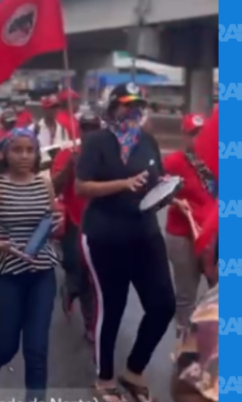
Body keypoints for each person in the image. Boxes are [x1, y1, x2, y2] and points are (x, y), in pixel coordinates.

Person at [75, 83, 176, 402]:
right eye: (125, 105)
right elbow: (82, 188)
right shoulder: (96, 142)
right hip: (106, 236)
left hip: (145, 234)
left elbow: (155, 181)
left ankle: (134, 369)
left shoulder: (147, 141)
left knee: (163, 305)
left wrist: (169, 194)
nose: (132, 111)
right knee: (112, 309)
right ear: (111, 108)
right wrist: (122, 184)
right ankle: (104, 380)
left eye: (138, 105)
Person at [0, 128, 60, 402]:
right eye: (17, 150)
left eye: (29, 150)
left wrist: (57, 225)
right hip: (6, 274)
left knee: (37, 349)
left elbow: (52, 222)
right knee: (6, 346)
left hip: (41, 273)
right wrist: (1, 245)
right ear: (5, 153)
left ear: (36, 154)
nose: (24, 156)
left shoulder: (45, 183)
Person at [51, 110, 101, 343]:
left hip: (100, 224)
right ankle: (70, 287)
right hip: (74, 222)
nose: (90, 133)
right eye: (86, 128)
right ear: (79, 130)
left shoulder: (108, 154)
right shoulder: (67, 154)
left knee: (93, 276)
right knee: (77, 269)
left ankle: (91, 323)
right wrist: (69, 169)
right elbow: (54, 188)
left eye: (94, 128)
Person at [164, 113, 217, 334]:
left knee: (217, 293)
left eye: (202, 133)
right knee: (186, 296)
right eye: (193, 134)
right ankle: (184, 345)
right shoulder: (174, 162)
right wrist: (176, 201)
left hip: (212, 237)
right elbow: (156, 190)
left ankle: (212, 347)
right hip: (182, 236)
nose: (198, 139)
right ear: (184, 136)